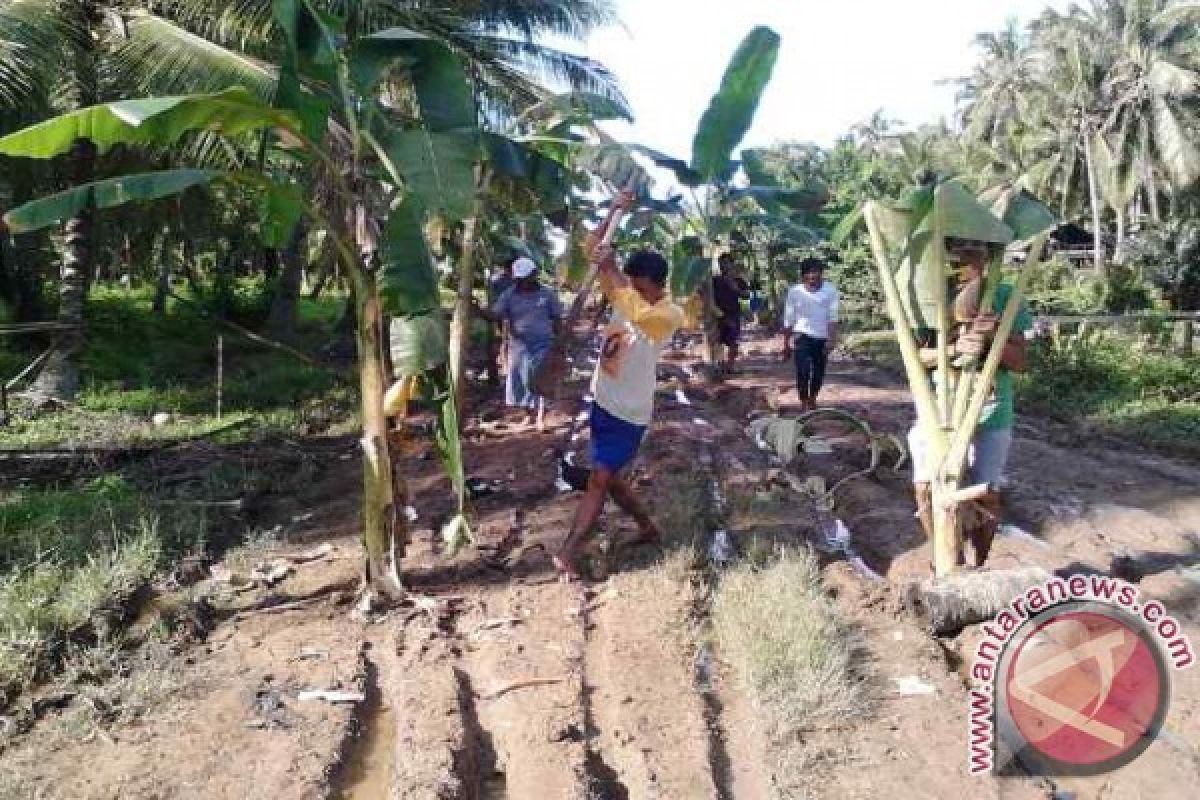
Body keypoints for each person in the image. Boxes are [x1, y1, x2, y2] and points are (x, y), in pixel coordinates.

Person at [554, 210, 685, 582]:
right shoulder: (626, 292)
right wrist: (614, 210)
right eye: (633, 285)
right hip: (603, 400)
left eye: (641, 287)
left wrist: (611, 269)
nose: (635, 291)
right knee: (608, 480)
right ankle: (647, 526)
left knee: (599, 479)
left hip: (629, 413)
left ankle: (569, 550)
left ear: (659, 286)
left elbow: (637, 311)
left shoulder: (667, 314)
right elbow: (592, 248)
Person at [908, 238, 1032, 569]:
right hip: (939, 410)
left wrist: (992, 337)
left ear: (988, 258)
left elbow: (1020, 362)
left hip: (991, 409)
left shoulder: (1006, 297)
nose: (963, 261)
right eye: (955, 254)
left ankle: (979, 563)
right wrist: (953, 349)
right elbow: (916, 356)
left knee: (985, 492)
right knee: (925, 485)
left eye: (972, 254)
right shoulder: (930, 297)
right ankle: (945, 557)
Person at [474, 257, 562, 426]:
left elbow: (557, 319)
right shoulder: (510, 294)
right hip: (519, 346)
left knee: (539, 379)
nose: (523, 283)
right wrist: (478, 310)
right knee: (520, 381)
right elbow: (496, 314)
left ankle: (540, 416)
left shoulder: (547, 294)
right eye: (520, 279)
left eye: (526, 278)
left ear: (534, 275)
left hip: (543, 343)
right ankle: (528, 413)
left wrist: (560, 343)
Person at [781, 258, 840, 411]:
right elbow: (789, 318)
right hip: (802, 336)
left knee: (819, 372)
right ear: (803, 276)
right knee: (803, 370)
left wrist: (832, 339)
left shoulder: (830, 291)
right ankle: (804, 400)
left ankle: (813, 397)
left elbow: (833, 317)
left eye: (816, 273)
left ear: (821, 274)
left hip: (822, 337)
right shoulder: (795, 292)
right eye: (809, 274)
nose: (812, 277)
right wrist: (786, 344)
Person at [712, 253, 750, 372]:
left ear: (732, 264)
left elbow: (747, 295)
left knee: (733, 342)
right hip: (718, 315)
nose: (724, 265)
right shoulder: (714, 280)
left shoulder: (738, 280)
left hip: (733, 314)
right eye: (721, 263)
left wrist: (736, 289)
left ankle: (730, 366)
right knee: (717, 341)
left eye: (726, 263)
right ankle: (719, 365)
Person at [483, 260, 514, 387]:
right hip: (506, 315)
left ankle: (504, 367)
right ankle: (505, 367)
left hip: (500, 314)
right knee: (506, 341)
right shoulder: (508, 282)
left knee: (504, 340)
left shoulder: (495, 280)